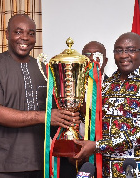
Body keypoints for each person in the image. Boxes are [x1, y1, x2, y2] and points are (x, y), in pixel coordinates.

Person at [0, 14, 80, 178]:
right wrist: (45, 117)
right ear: (7, 34)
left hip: (43, 163)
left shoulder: (45, 69)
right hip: (4, 165)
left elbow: (56, 112)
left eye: (31, 33)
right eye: (18, 32)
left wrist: (69, 118)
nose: (25, 38)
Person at [74, 32, 140, 178]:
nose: (124, 55)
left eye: (131, 50)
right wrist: (77, 116)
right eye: (119, 50)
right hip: (109, 171)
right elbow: (98, 123)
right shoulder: (108, 84)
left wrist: (97, 146)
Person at [59, 41, 108, 178]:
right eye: (87, 55)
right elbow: (57, 122)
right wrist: (70, 150)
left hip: (104, 159)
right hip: (72, 161)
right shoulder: (67, 88)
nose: (92, 58)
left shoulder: (115, 87)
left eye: (97, 55)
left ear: (106, 60)